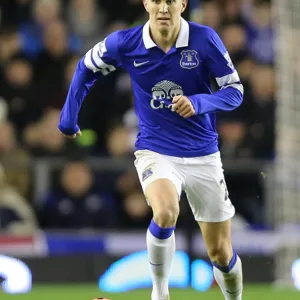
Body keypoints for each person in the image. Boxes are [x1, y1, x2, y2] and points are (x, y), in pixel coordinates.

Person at [58, 1, 244, 299]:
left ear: (182, 4)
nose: (163, 7)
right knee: (166, 212)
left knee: (220, 253)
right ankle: (160, 293)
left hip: (203, 154)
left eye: (170, 0)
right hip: (156, 151)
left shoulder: (204, 39)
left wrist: (199, 103)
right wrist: (69, 117)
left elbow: (235, 91)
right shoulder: (125, 42)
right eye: (156, 0)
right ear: (146, 3)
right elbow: (85, 67)